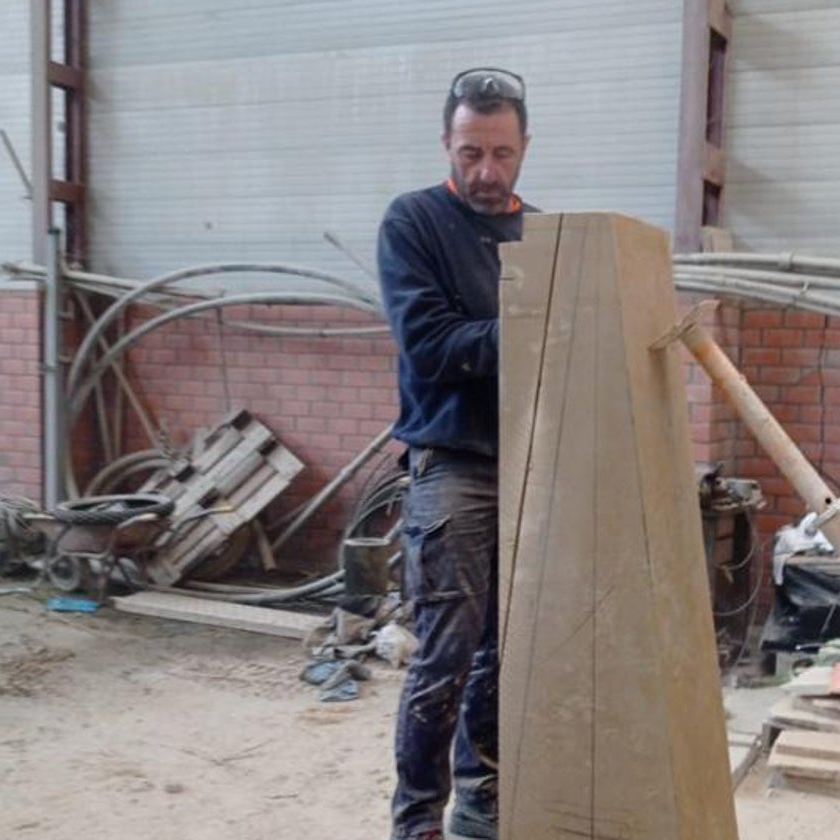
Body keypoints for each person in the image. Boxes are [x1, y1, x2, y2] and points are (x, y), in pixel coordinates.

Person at [376, 67, 532, 840]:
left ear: (524, 148)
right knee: (444, 657)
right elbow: (430, 345)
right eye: (471, 152)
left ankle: (482, 806)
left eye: (501, 153)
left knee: (506, 657)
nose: (486, 171)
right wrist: (537, 329)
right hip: (453, 464)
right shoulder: (414, 223)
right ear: (448, 143)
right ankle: (415, 825)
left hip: (532, 465)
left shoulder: (541, 234)